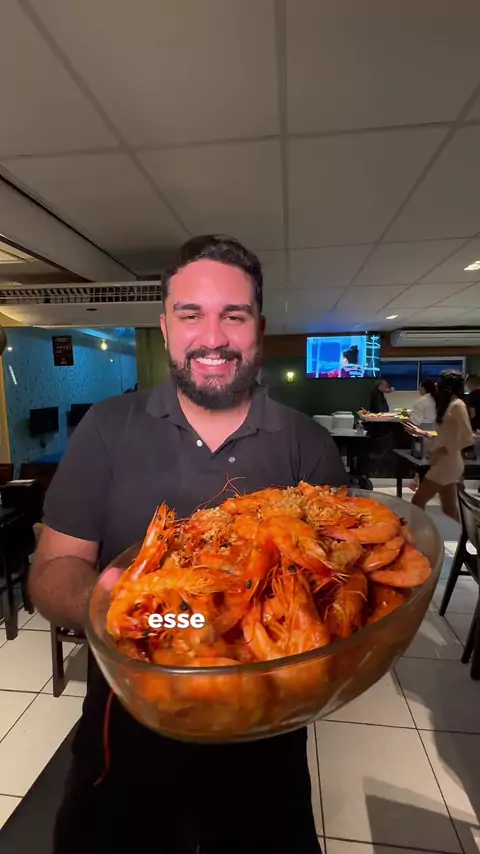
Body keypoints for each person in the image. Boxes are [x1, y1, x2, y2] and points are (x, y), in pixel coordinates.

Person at [29, 234, 346, 854]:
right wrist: (108, 602)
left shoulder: (307, 445)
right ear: (166, 327)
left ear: (259, 327)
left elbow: (333, 603)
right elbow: (53, 570)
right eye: (191, 314)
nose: (213, 337)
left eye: (234, 315)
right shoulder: (107, 428)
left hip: (263, 749)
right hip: (123, 741)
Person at [412, 371, 473, 521]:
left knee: (418, 501)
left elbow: (468, 438)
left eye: (439, 382)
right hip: (448, 462)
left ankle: (420, 532)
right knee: (449, 509)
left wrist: (443, 449)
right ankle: (466, 532)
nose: (436, 385)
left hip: (447, 463)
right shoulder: (452, 405)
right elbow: (448, 434)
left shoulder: (457, 405)